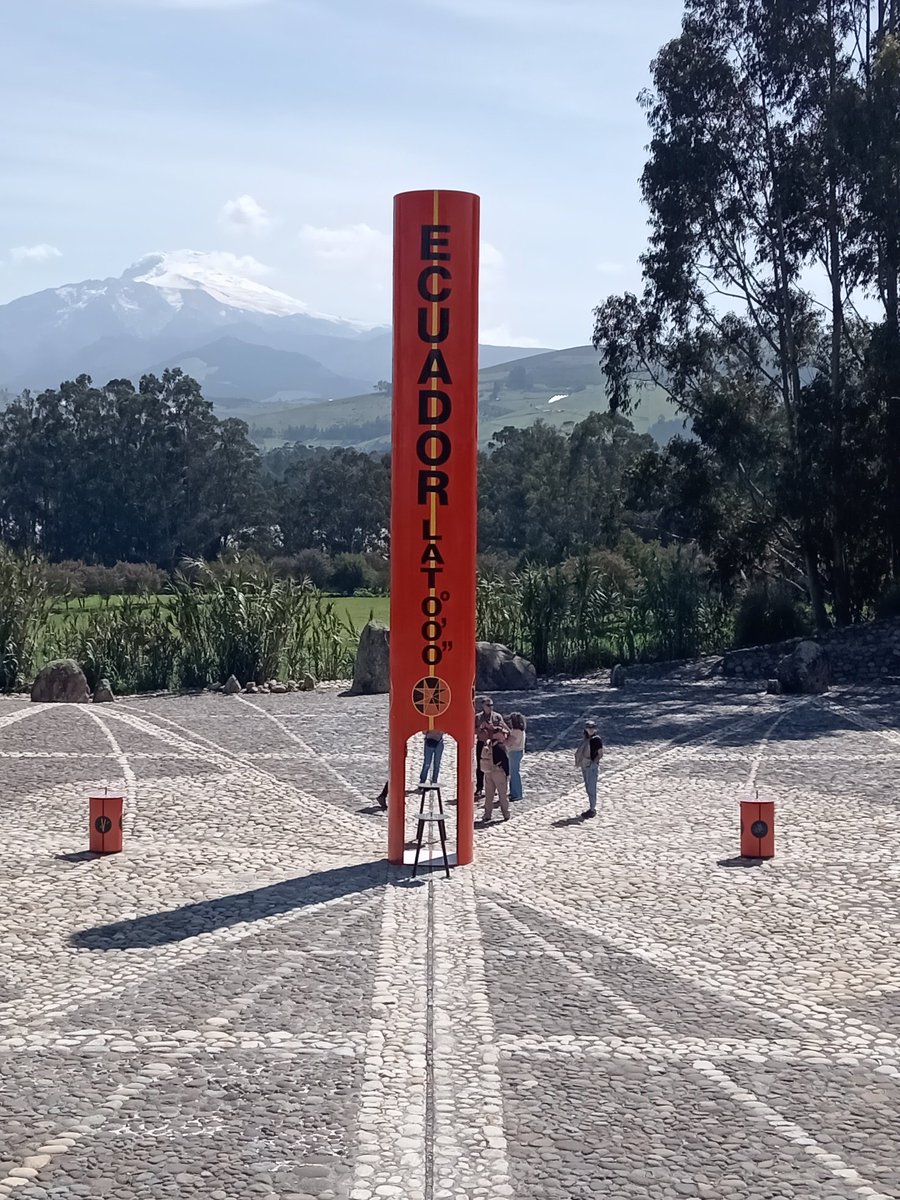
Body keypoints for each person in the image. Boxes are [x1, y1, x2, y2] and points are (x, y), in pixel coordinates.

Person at [474, 696, 506, 798]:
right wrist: (481, 728)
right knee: (481, 765)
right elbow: (473, 730)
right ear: (483, 706)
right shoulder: (478, 717)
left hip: (494, 743)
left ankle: (493, 787)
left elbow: (503, 728)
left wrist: (493, 727)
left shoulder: (497, 716)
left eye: (492, 705)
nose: (490, 707)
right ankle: (479, 788)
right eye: (488, 705)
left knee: (495, 765)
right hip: (482, 743)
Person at [480, 725, 511, 823]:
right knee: (502, 794)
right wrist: (507, 774)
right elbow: (505, 761)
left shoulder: (488, 744)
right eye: (503, 733)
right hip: (499, 772)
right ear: (498, 734)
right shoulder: (501, 746)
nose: (504, 735)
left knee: (489, 795)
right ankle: (506, 814)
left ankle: (487, 814)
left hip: (488, 772)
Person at [575, 720, 603, 817]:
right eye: (588, 728)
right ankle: (591, 807)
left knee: (591, 788)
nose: (590, 730)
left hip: (591, 766)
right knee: (588, 787)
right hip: (585, 765)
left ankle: (592, 809)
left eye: (592, 728)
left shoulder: (596, 740)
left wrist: (593, 763)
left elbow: (600, 754)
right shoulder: (586, 739)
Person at [506, 712, 527, 800]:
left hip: (514, 752)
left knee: (514, 773)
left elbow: (508, 743)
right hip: (518, 752)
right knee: (513, 773)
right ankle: (513, 791)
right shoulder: (521, 731)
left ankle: (517, 794)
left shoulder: (515, 732)